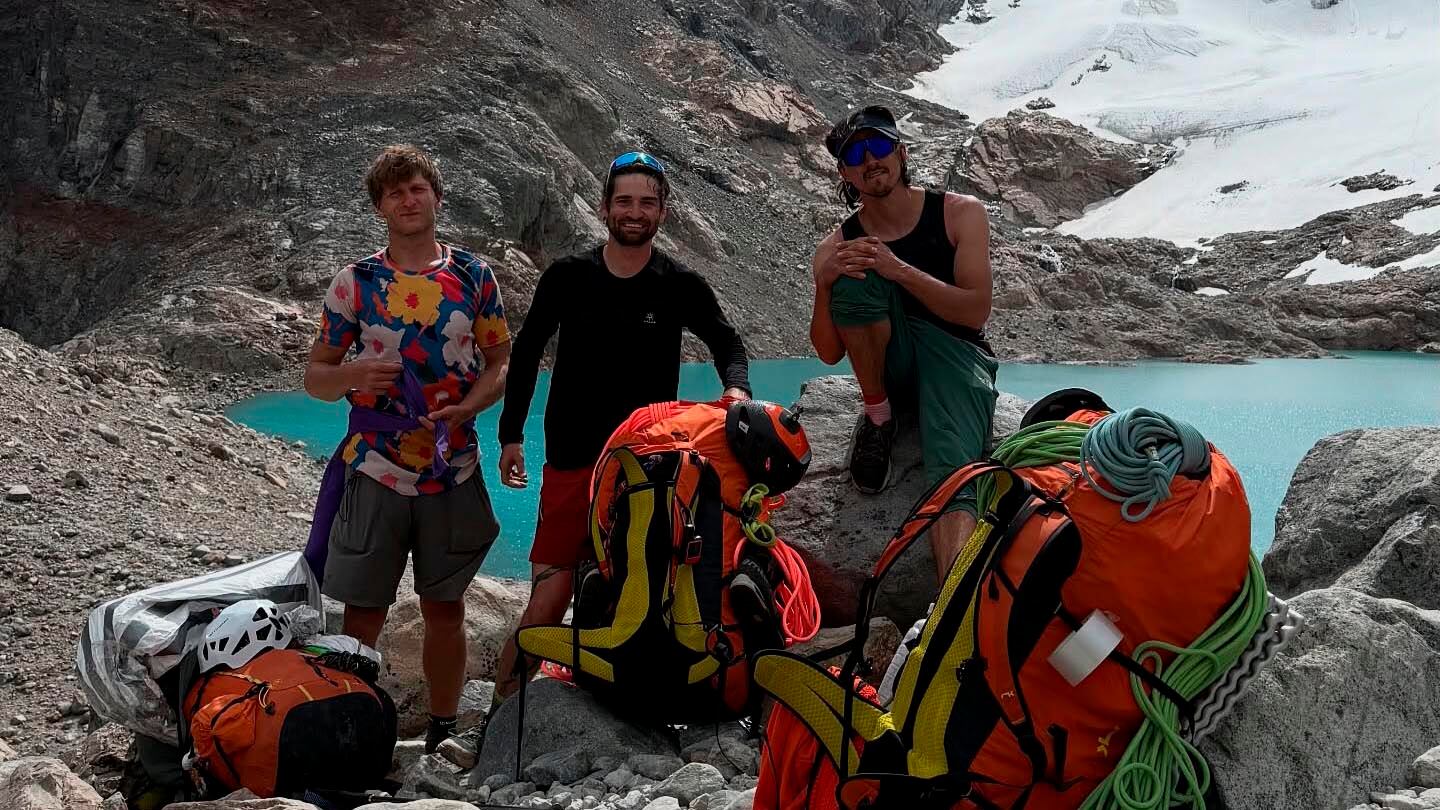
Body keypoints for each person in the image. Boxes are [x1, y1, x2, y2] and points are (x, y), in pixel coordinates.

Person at [492, 150, 752, 705]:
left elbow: (728, 343)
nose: (635, 212)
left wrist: (736, 392)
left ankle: (637, 700)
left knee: (645, 581)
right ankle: (503, 711)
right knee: (549, 593)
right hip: (572, 456)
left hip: (648, 462)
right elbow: (527, 352)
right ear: (606, 206)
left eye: (647, 203)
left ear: (663, 211)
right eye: (625, 201)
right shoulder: (567, 276)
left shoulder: (679, 283)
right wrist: (510, 433)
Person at [303, 144, 511, 753]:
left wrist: (472, 406)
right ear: (380, 208)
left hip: (453, 464)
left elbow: (499, 360)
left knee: (445, 607)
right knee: (363, 610)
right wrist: (352, 378)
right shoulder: (355, 284)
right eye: (394, 193)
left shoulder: (475, 277)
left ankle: (443, 729)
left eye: (417, 188)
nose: (407, 200)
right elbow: (316, 375)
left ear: (437, 197)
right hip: (374, 468)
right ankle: (353, 733)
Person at [808, 105, 999, 583]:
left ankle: (953, 605)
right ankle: (878, 416)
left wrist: (898, 271)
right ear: (845, 173)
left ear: (901, 152)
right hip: (892, 368)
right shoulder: (837, 245)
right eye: (856, 153)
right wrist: (825, 285)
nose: (870, 160)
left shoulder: (960, 214)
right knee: (854, 276)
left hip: (956, 354)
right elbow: (830, 352)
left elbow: (975, 311)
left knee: (954, 472)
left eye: (878, 146)